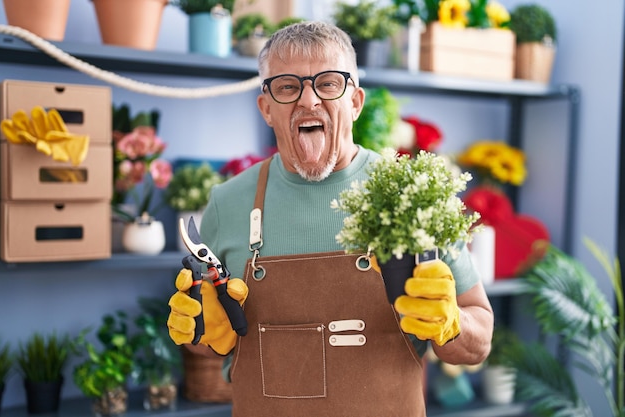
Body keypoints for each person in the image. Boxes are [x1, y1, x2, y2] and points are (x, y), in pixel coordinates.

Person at [168, 21, 494, 417]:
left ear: (355, 102)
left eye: (327, 83)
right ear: (266, 108)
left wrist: (452, 322)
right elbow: (206, 342)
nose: (308, 101)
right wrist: (202, 332)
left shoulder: (413, 195)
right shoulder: (228, 202)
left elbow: (478, 339)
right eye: (287, 86)